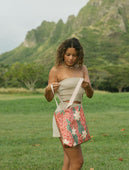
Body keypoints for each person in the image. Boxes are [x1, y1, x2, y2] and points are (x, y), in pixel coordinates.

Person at [44, 37, 93, 170]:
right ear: (62, 54)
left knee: (68, 161)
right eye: (68, 54)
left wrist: (87, 86)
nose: (71, 58)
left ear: (79, 55)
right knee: (78, 162)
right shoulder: (56, 70)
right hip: (64, 116)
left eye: (75, 55)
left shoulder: (83, 69)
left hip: (77, 116)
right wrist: (48, 89)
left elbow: (90, 94)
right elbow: (49, 98)